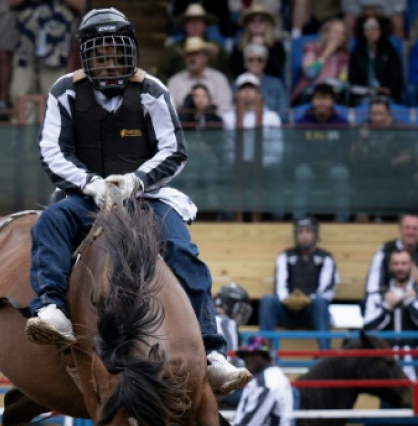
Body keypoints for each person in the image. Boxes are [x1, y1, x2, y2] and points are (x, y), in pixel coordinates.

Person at [24, 7, 251, 395]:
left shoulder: (152, 90)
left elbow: (174, 150)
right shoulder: (64, 90)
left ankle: (212, 354)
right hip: (86, 198)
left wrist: (136, 180)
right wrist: (91, 184)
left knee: (183, 251)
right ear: (86, 56)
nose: (109, 63)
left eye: (116, 54)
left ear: (130, 52)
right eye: (100, 55)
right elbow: (51, 152)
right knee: (49, 224)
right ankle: (52, 309)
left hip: (145, 198)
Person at [259, 217, 339, 350]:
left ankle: (324, 354)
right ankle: (264, 351)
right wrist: (288, 300)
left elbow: (326, 290)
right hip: (287, 310)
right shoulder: (285, 256)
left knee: (320, 302)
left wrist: (307, 300)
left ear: (315, 234)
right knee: (268, 300)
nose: (304, 236)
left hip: (312, 311)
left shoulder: (326, 257)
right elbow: (280, 286)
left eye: (308, 231)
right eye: (300, 232)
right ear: (296, 235)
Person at [362, 248, 418, 380]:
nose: (400, 268)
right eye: (396, 264)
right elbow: (368, 328)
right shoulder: (377, 295)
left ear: (411, 265)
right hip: (387, 360)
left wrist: (411, 303)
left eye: (404, 264)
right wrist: (386, 307)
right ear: (389, 266)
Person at [7, 0, 82, 124]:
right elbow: (10, 3)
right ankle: (21, 141)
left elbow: (81, 5)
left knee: (56, 102)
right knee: (20, 98)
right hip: (26, 47)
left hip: (57, 48)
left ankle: (51, 141)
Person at [365, 213, 418, 296]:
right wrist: (386, 293)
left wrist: (417, 291)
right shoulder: (384, 251)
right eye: (407, 228)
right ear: (400, 229)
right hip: (389, 301)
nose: (411, 232)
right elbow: (372, 286)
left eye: (415, 228)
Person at [157, 3, 230, 81]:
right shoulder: (173, 49)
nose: (195, 25)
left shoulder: (217, 47)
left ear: (205, 25)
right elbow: (161, 74)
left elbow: (228, 73)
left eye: (199, 21)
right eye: (191, 22)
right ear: (184, 26)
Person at [290, 18, 349, 106]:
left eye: (342, 33)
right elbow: (310, 73)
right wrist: (327, 53)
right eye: (336, 32)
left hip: (331, 95)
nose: (339, 36)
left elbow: (342, 82)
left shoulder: (343, 56)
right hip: (308, 93)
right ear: (327, 33)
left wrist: (331, 90)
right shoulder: (311, 49)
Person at [167, 36, 232, 115]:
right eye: (189, 54)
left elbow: (224, 108)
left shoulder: (219, 79)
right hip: (183, 125)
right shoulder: (175, 81)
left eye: (196, 54)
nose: (192, 58)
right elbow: (170, 111)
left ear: (206, 57)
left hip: (212, 125)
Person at [348, 14, 403, 105]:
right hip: (363, 96)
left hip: (386, 96)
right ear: (363, 31)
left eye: (375, 27)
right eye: (368, 28)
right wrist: (366, 90)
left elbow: (396, 78)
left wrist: (387, 90)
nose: (372, 31)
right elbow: (353, 79)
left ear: (381, 30)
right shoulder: (357, 52)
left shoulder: (390, 51)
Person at [228, 5, 286, 79]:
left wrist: (264, 45)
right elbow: (234, 69)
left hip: (269, 85)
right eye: (252, 20)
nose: (257, 23)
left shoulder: (276, 45)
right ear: (247, 25)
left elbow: (276, 67)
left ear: (267, 24)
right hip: (245, 84)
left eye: (261, 20)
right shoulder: (239, 46)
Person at [243, 42, 287, 120]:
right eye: (251, 60)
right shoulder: (237, 84)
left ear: (264, 63)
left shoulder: (276, 84)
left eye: (260, 60)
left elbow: (284, 113)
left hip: (271, 127)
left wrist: (269, 121)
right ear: (245, 63)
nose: (255, 63)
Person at [214, 282, 252, 353]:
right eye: (239, 308)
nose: (240, 314)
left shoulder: (231, 323)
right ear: (229, 304)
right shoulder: (217, 321)